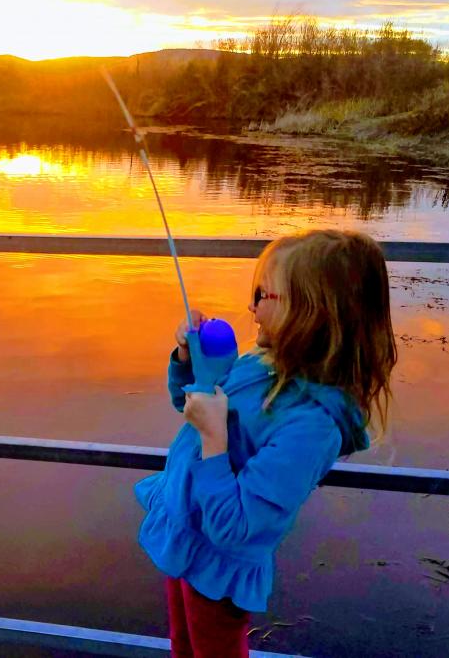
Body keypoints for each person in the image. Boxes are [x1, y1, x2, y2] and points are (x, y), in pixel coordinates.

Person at [135, 229, 397, 658]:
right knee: (183, 647)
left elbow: (237, 526)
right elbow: (195, 398)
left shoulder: (312, 426)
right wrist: (189, 359)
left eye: (262, 294)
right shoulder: (264, 364)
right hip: (189, 531)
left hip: (218, 565)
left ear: (311, 312)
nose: (250, 307)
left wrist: (213, 437)